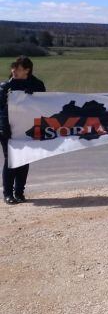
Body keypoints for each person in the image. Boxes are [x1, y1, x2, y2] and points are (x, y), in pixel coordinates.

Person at [1, 56, 45, 205]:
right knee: (11, 160)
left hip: (28, 129)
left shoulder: (38, 85)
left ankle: (19, 192)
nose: (13, 70)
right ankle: (7, 194)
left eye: (18, 68)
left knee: (24, 160)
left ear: (27, 70)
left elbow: (46, 105)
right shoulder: (6, 86)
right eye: (13, 68)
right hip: (7, 129)